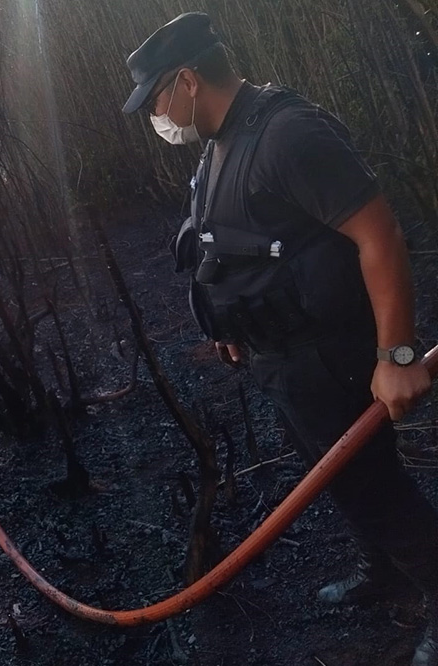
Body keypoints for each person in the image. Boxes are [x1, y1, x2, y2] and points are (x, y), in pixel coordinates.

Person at [122, 12, 437, 664]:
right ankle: (383, 573)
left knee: (376, 488)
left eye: (156, 98)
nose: (156, 114)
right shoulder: (220, 144)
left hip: (331, 355)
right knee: (337, 480)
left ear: (187, 81)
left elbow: (380, 235)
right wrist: (230, 329)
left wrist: (398, 354)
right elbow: (236, 246)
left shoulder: (288, 134)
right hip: (280, 359)